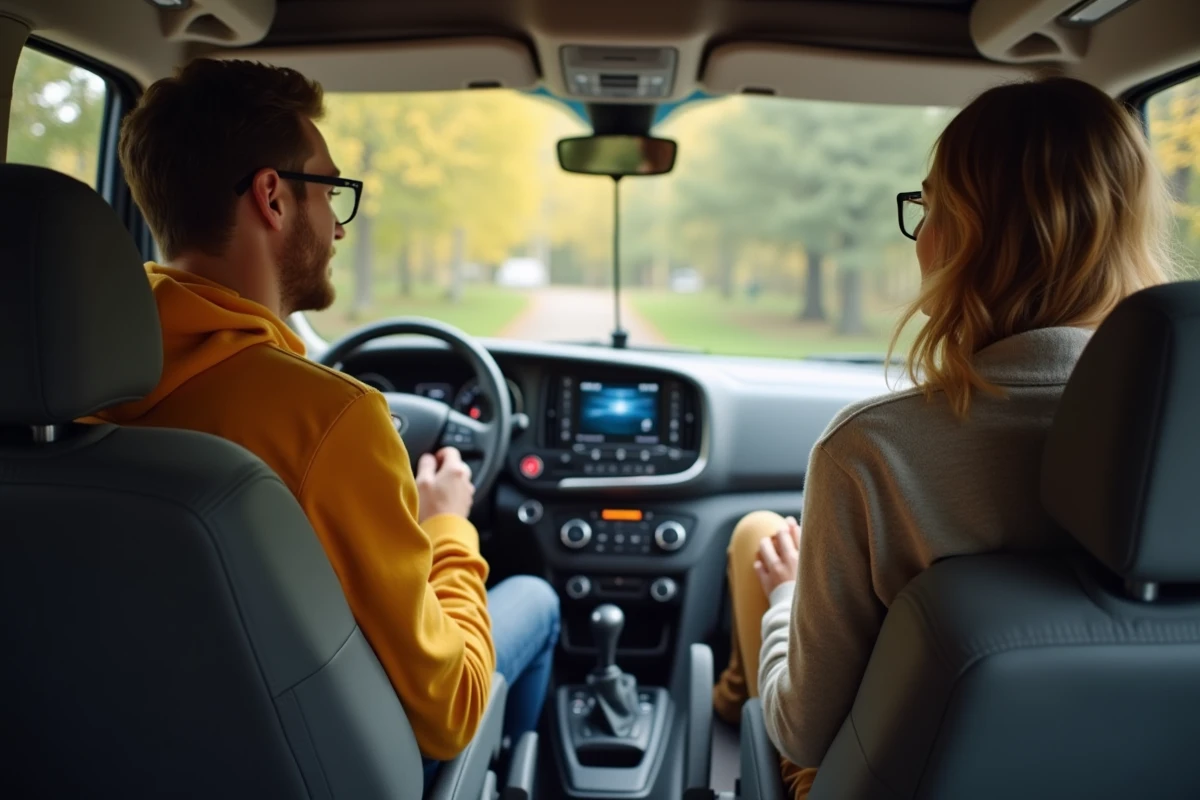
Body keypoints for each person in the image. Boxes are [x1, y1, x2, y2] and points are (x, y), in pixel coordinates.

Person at [711, 77, 1174, 798]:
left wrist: (784, 601)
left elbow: (804, 731)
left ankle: (720, 707)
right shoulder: (1182, 444)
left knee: (759, 540)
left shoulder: (873, 452)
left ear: (965, 233)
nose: (921, 232)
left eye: (930, 205)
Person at [105, 58, 560, 782]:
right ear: (273, 198)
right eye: (333, 191)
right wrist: (448, 524)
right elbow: (451, 710)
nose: (341, 229)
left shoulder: (72, 393)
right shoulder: (332, 420)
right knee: (534, 598)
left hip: (114, 757)